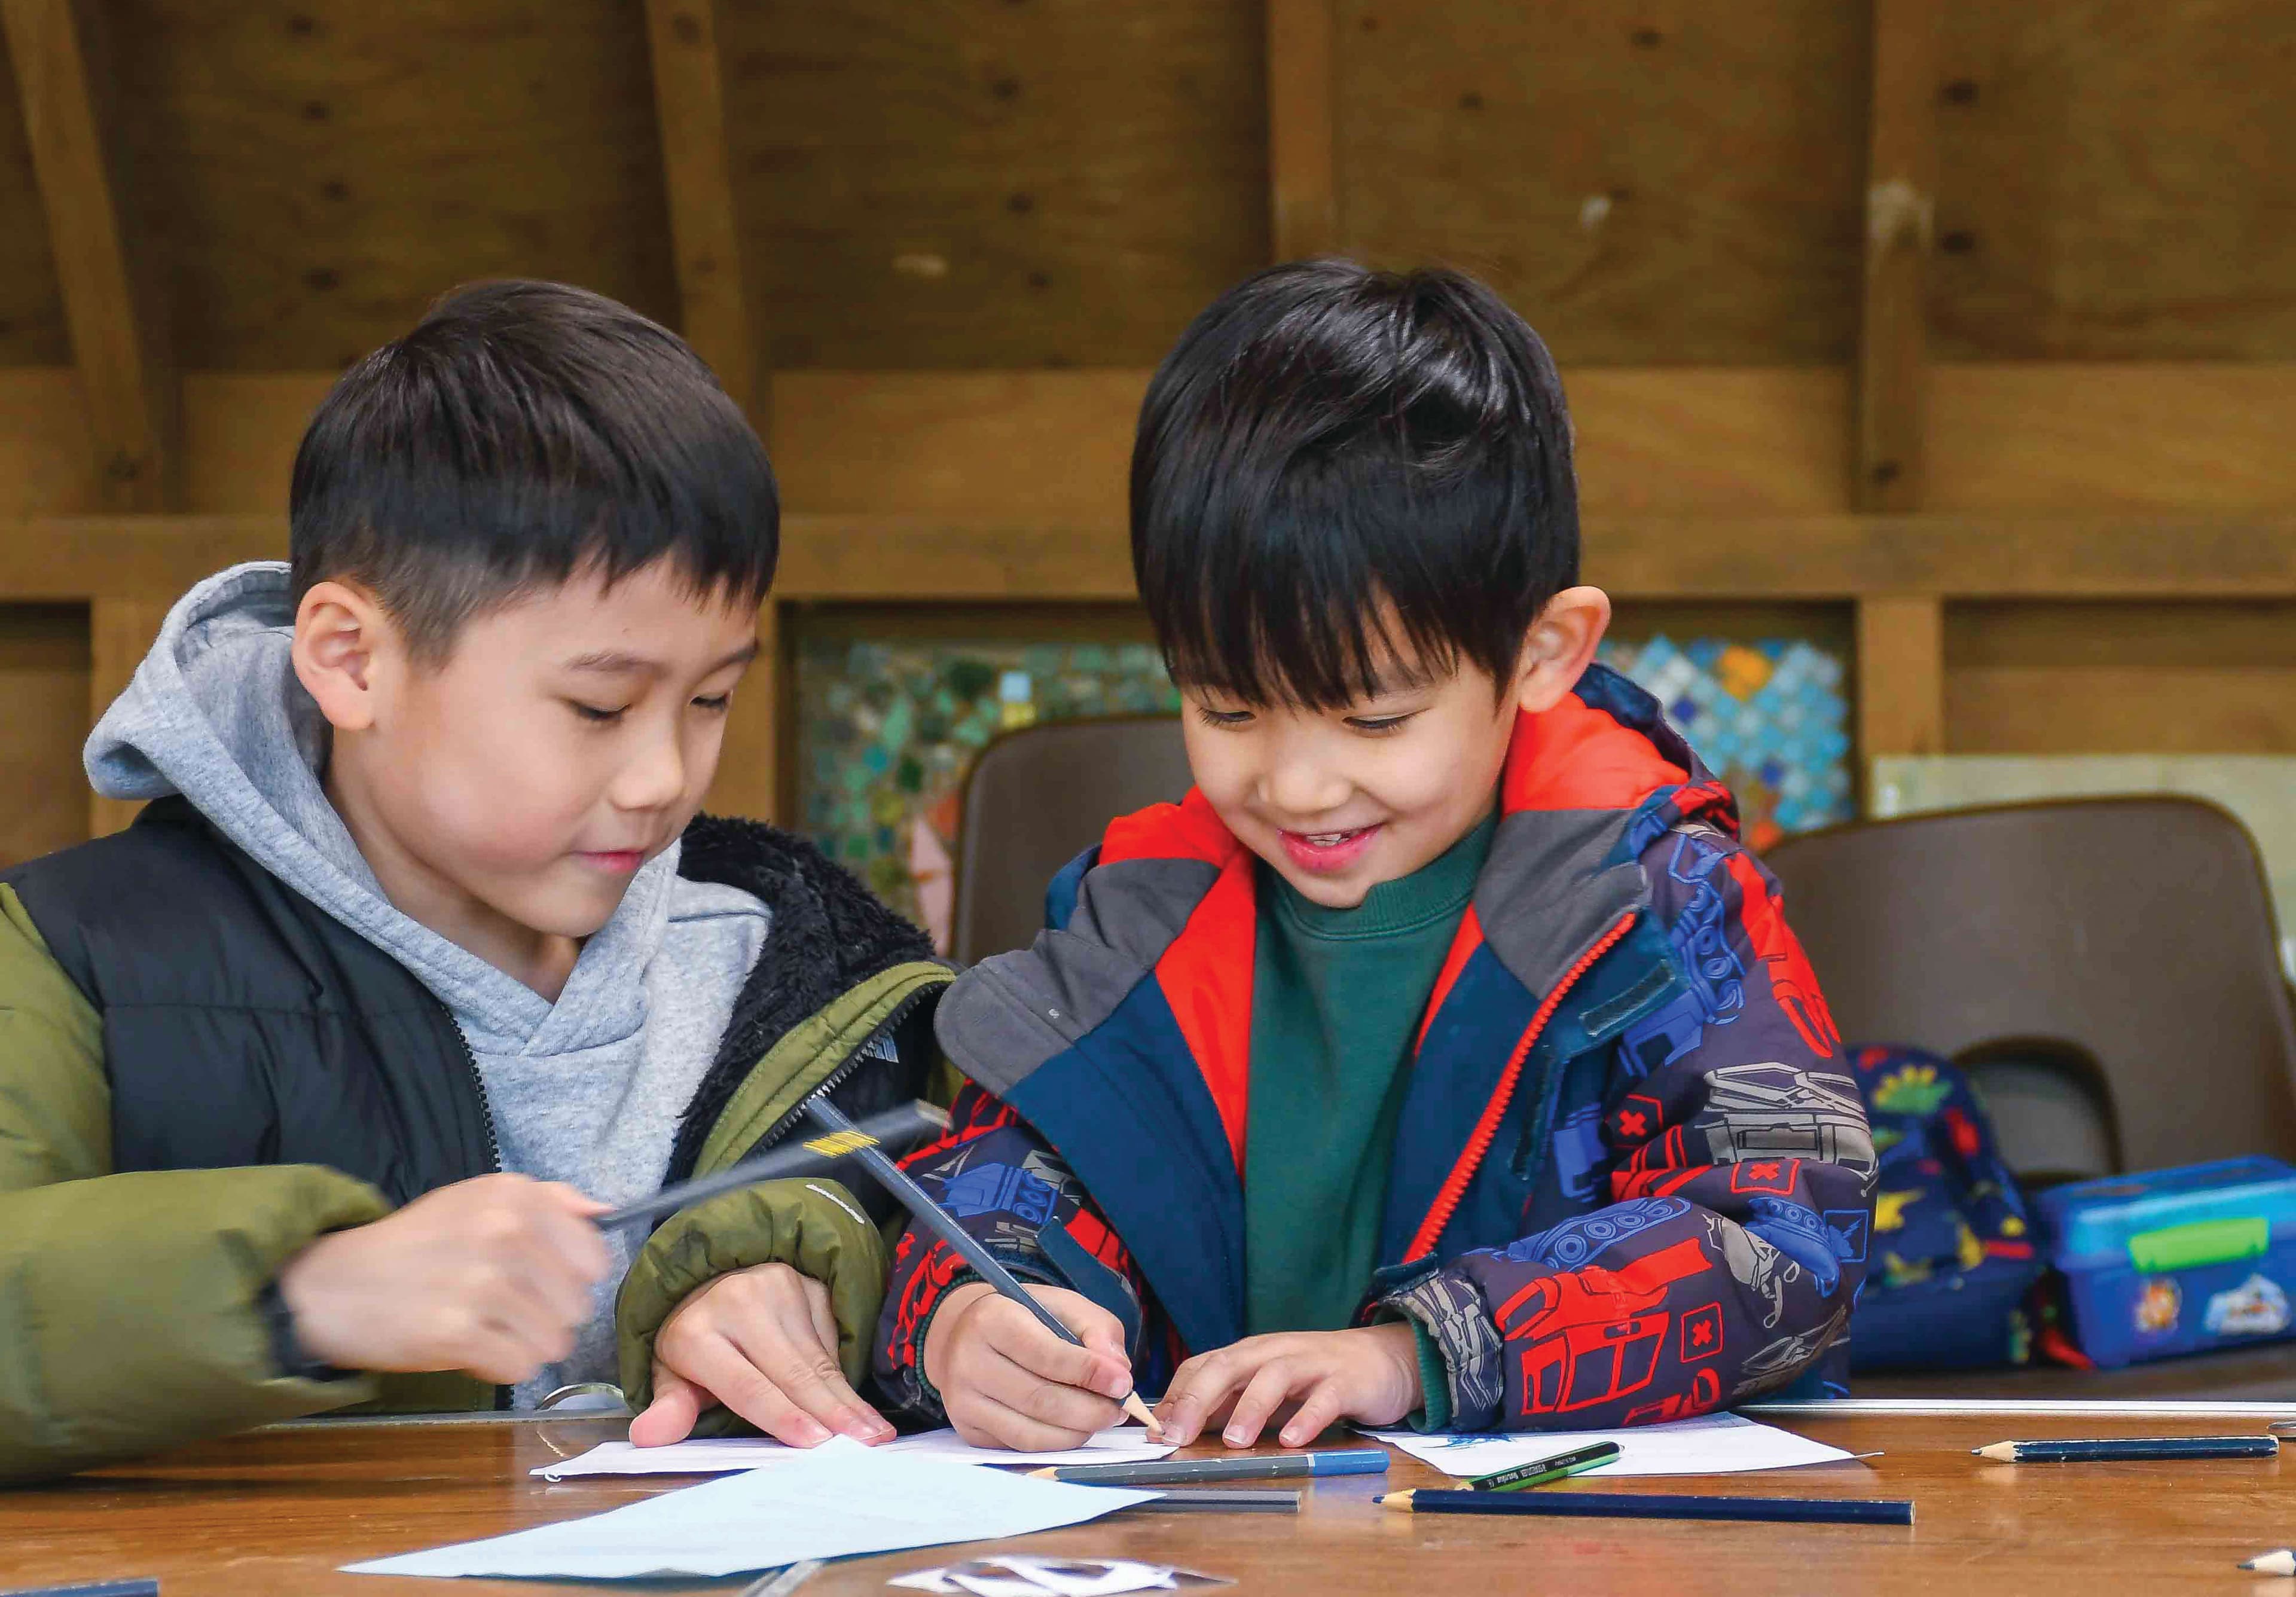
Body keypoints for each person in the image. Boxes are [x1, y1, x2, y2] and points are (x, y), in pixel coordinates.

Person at [873, 261, 1876, 1451]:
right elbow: (1005, 1169)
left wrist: (1416, 1354)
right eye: (1231, 708)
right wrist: (978, 1312)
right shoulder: (1136, 916)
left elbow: (1785, 1241)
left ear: (1543, 652)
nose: (1296, 786)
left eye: (1373, 718)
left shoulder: (1656, 903)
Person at [0, 280, 946, 1482]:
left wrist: (807, 1262)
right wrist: (301, 1292)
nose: (664, 777)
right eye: (598, 707)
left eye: (710, 698)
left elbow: (957, 1223)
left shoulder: (808, 975)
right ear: (353, 658)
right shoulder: (76, 957)